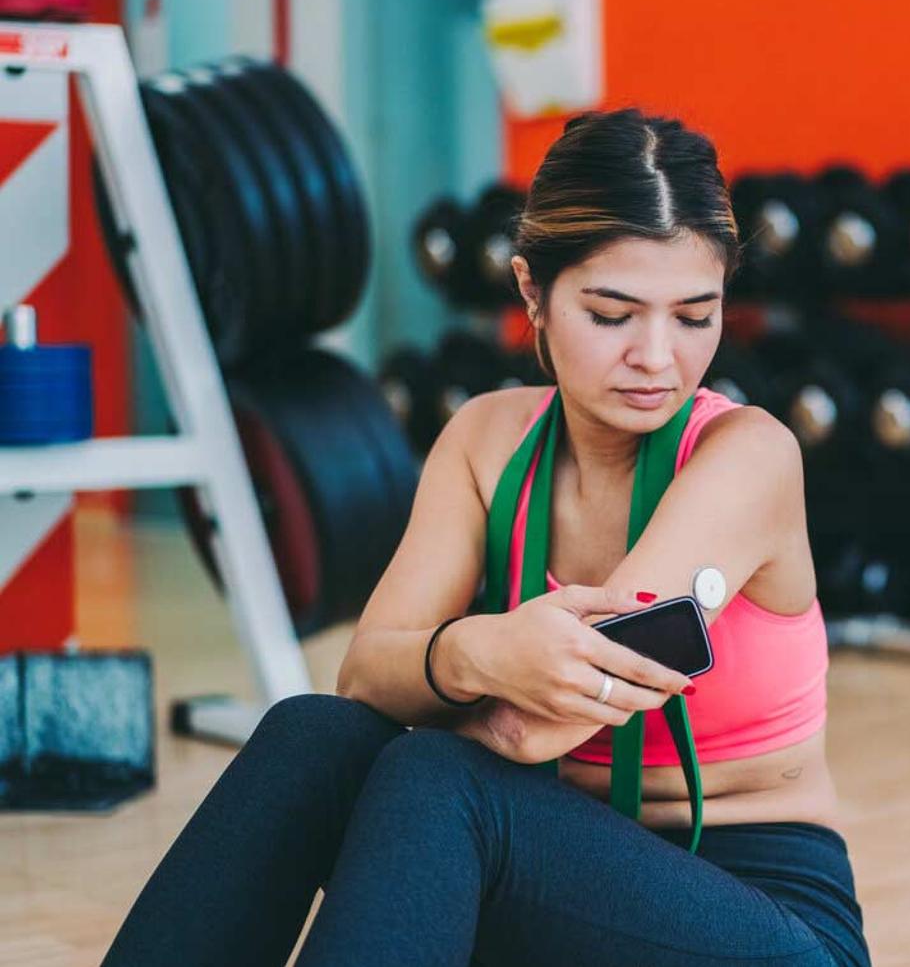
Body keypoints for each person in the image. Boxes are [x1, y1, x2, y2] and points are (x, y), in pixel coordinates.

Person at [102, 108, 870, 967]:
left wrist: (430, 682)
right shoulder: (486, 439)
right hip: (556, 877)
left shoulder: (747, 457)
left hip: (759, 920)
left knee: (433, 777)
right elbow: (362, 679)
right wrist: (479, 649)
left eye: (694, 316)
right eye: (613, 314)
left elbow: (541, 726)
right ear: (531, 293)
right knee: (312, 735)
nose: (658, 357)